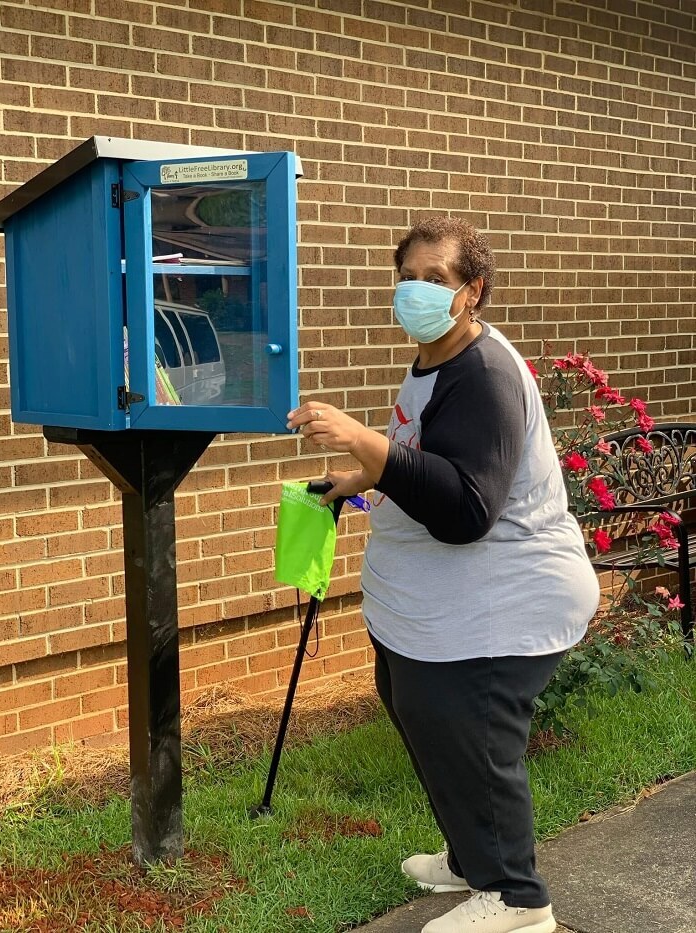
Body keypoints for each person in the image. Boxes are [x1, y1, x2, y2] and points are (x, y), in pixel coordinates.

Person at [286, 216, 600, 933]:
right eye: (409, 277)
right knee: (414, 703)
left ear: (473, 292)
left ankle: (518, 899)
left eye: (438, 279)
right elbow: (429, 460)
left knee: (470, 733)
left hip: (503, 603)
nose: (419, 290)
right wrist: (360, 476)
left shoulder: (482, 374)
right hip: (442, 604)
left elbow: (466, 507)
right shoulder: (435, 359)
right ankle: (471, 855)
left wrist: (363, 439)